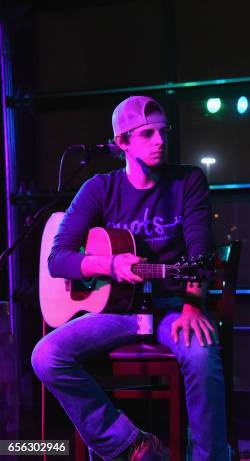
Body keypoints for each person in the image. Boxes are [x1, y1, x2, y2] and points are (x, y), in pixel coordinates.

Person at [31, 96, 228, 461]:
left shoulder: (188, 181)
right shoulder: (98, 188)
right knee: (46, 355)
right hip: (118, 310)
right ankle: (129, 444)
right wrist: (108, 265)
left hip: (172, 305)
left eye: (163, 132)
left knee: (201, 356)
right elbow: (58, 260)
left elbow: (201, 254)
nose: (160, 141)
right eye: (148, 134)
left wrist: (192, 304)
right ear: (122, 142)